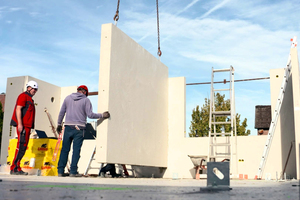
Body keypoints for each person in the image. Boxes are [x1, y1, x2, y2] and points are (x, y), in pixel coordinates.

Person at [56, 85, 110, 177]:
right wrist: (102, 115)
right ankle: (73, 172)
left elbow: (62, 112)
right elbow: (90, 115)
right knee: (76, 151)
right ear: (85, 92)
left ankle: (60, 171)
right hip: (79, 129)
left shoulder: (68, 98)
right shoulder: (86, 100)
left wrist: (58, 124)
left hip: (68, 127)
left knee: (65, 150)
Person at [10, 80, 38, 175]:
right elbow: (18, 109)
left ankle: (17, 167)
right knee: (21, 146)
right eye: (34, 89)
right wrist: (20, 124)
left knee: (24, 147)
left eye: (36, 90)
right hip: (23, 126)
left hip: (28, 126)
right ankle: (14, 168)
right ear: (29, 88)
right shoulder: (23, 96)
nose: (35, 91)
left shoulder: (30, 99)